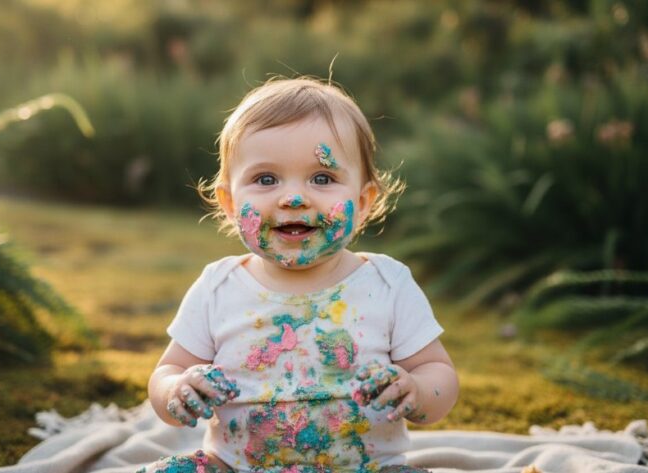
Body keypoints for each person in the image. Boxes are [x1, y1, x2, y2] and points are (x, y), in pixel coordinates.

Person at [142, 77, 459, 473]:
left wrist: (417, 390)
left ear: (362, 202)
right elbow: (166, 372)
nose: (293, 198)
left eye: (322, 178)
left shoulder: (386, 285)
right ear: (229, 202)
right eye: (266, 179)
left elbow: (439, 375)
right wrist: (176, 389)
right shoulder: (218, 287)